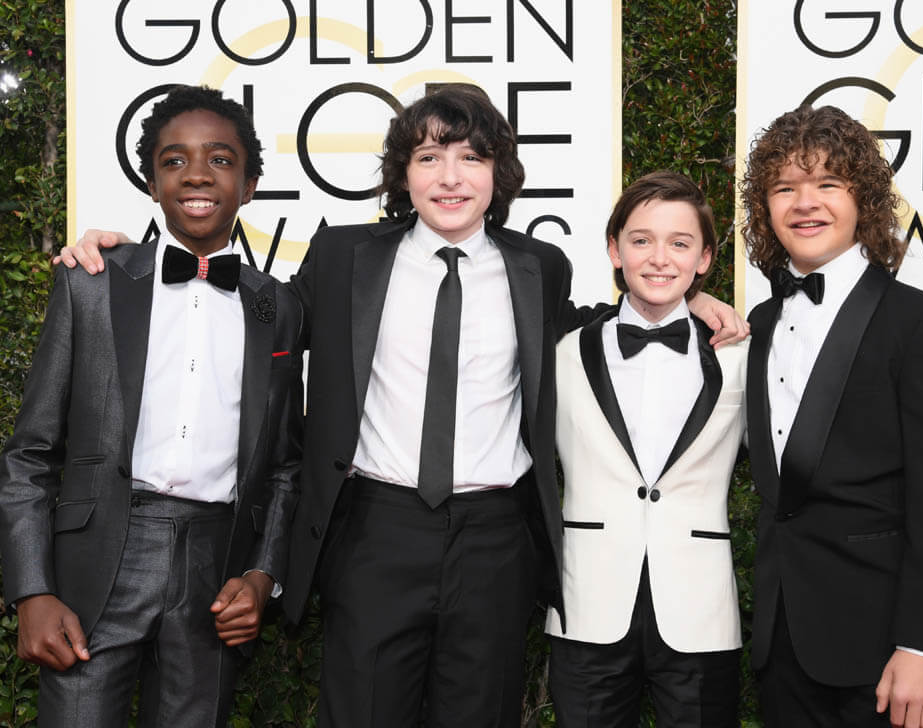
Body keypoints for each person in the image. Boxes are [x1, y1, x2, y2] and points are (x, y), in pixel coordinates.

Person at [57, 83, 747, 727]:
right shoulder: (344, 255)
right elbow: (251, 312)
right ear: (404, 174)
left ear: (498, 174)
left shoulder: (539, 267)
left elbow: (593, 325)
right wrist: (130, 260)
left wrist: (691, 300)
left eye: (471, 158)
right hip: (375, 533)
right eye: (429, 157)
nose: (451, 177)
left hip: (495, 542)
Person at [0, 85, 304, 727]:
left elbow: (283, 465)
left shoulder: (278, 306)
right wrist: (32, 590)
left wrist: (262, 573)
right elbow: (29, 453)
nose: (197, 174)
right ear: (151, 183)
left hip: (216, 569)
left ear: (250, 186)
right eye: (174, 160)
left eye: (220, 159)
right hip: (95, 564)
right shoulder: (90, 282)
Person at [739, 104, 923, 728]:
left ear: (862, 199)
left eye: (828, 183)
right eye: (784, 187)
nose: (805, 203)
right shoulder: (760, 324)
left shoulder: (921, 325)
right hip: (780, 646)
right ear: (765, 207)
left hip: (883, 650)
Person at [546, 171, 747, 727]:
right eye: (641, 240)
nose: (659, 258)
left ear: (704, 259)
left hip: (702, 610)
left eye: (679, 243)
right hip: (586, 607)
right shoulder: (562, 351)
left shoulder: (742, 357)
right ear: (615, 250)